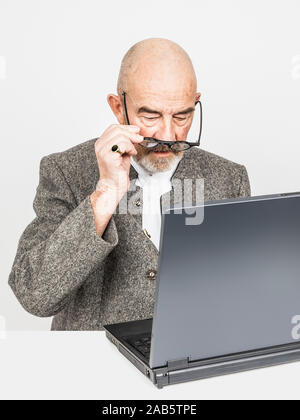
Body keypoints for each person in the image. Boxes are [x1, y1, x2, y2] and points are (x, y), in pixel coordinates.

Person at [8, 38, 251, 330]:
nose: (168, 134)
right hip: (89, 364)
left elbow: (241, 297)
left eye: (182, 115)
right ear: (117, 107)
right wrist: (105, 194)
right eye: (150, 115)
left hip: (186, 363)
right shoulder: (64, 172)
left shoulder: (229, 179)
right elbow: (35, 295)